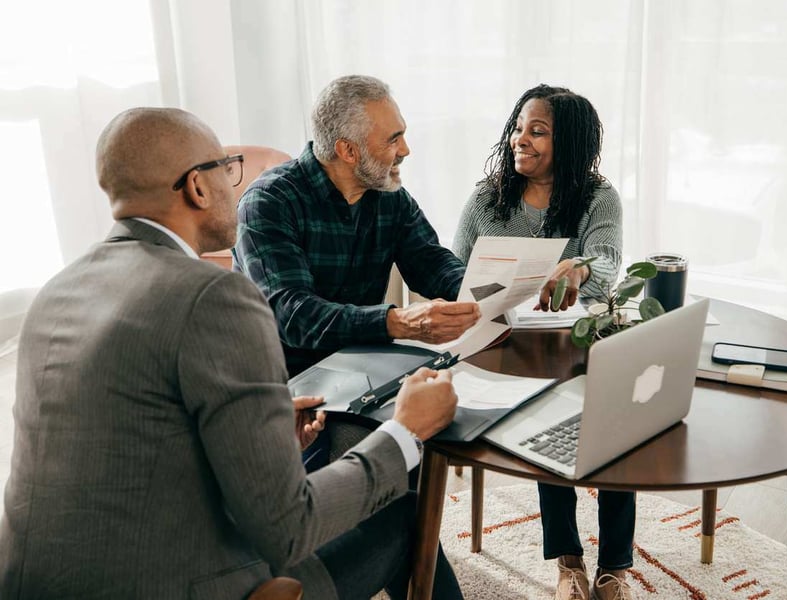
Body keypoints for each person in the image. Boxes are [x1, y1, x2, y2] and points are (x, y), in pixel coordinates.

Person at [0, 107, 464, 600]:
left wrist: (258, 430)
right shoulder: (213, 296)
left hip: (29, 581)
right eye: (227, 167)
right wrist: (404, 432)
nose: (234, 182)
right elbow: (289, 528)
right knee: (406, 513)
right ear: (198, 187)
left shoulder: (56, 290)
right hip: (172, 584)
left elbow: (135, 438)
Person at [452, 85, 635, 600]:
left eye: (537, 131)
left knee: (619, 422)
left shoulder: (599, 199)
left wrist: (579, 265)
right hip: (506, 346)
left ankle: (616, 568)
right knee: (545, 416)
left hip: (581, 345)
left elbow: (604, 264)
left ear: (570, 143)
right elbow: (451, 269)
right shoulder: (487, 199)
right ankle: (569, 560)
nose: (520, 141)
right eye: (518, 128)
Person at [232, 75, 481, 377]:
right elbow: (294, 315)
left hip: (357, 370)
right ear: (348, 151)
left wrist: (484, 290)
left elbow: (430, 262)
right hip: (282, 383)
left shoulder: (390, 196)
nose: (405, 150)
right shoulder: (268, 202)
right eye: (393, 139)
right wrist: (397, 322)